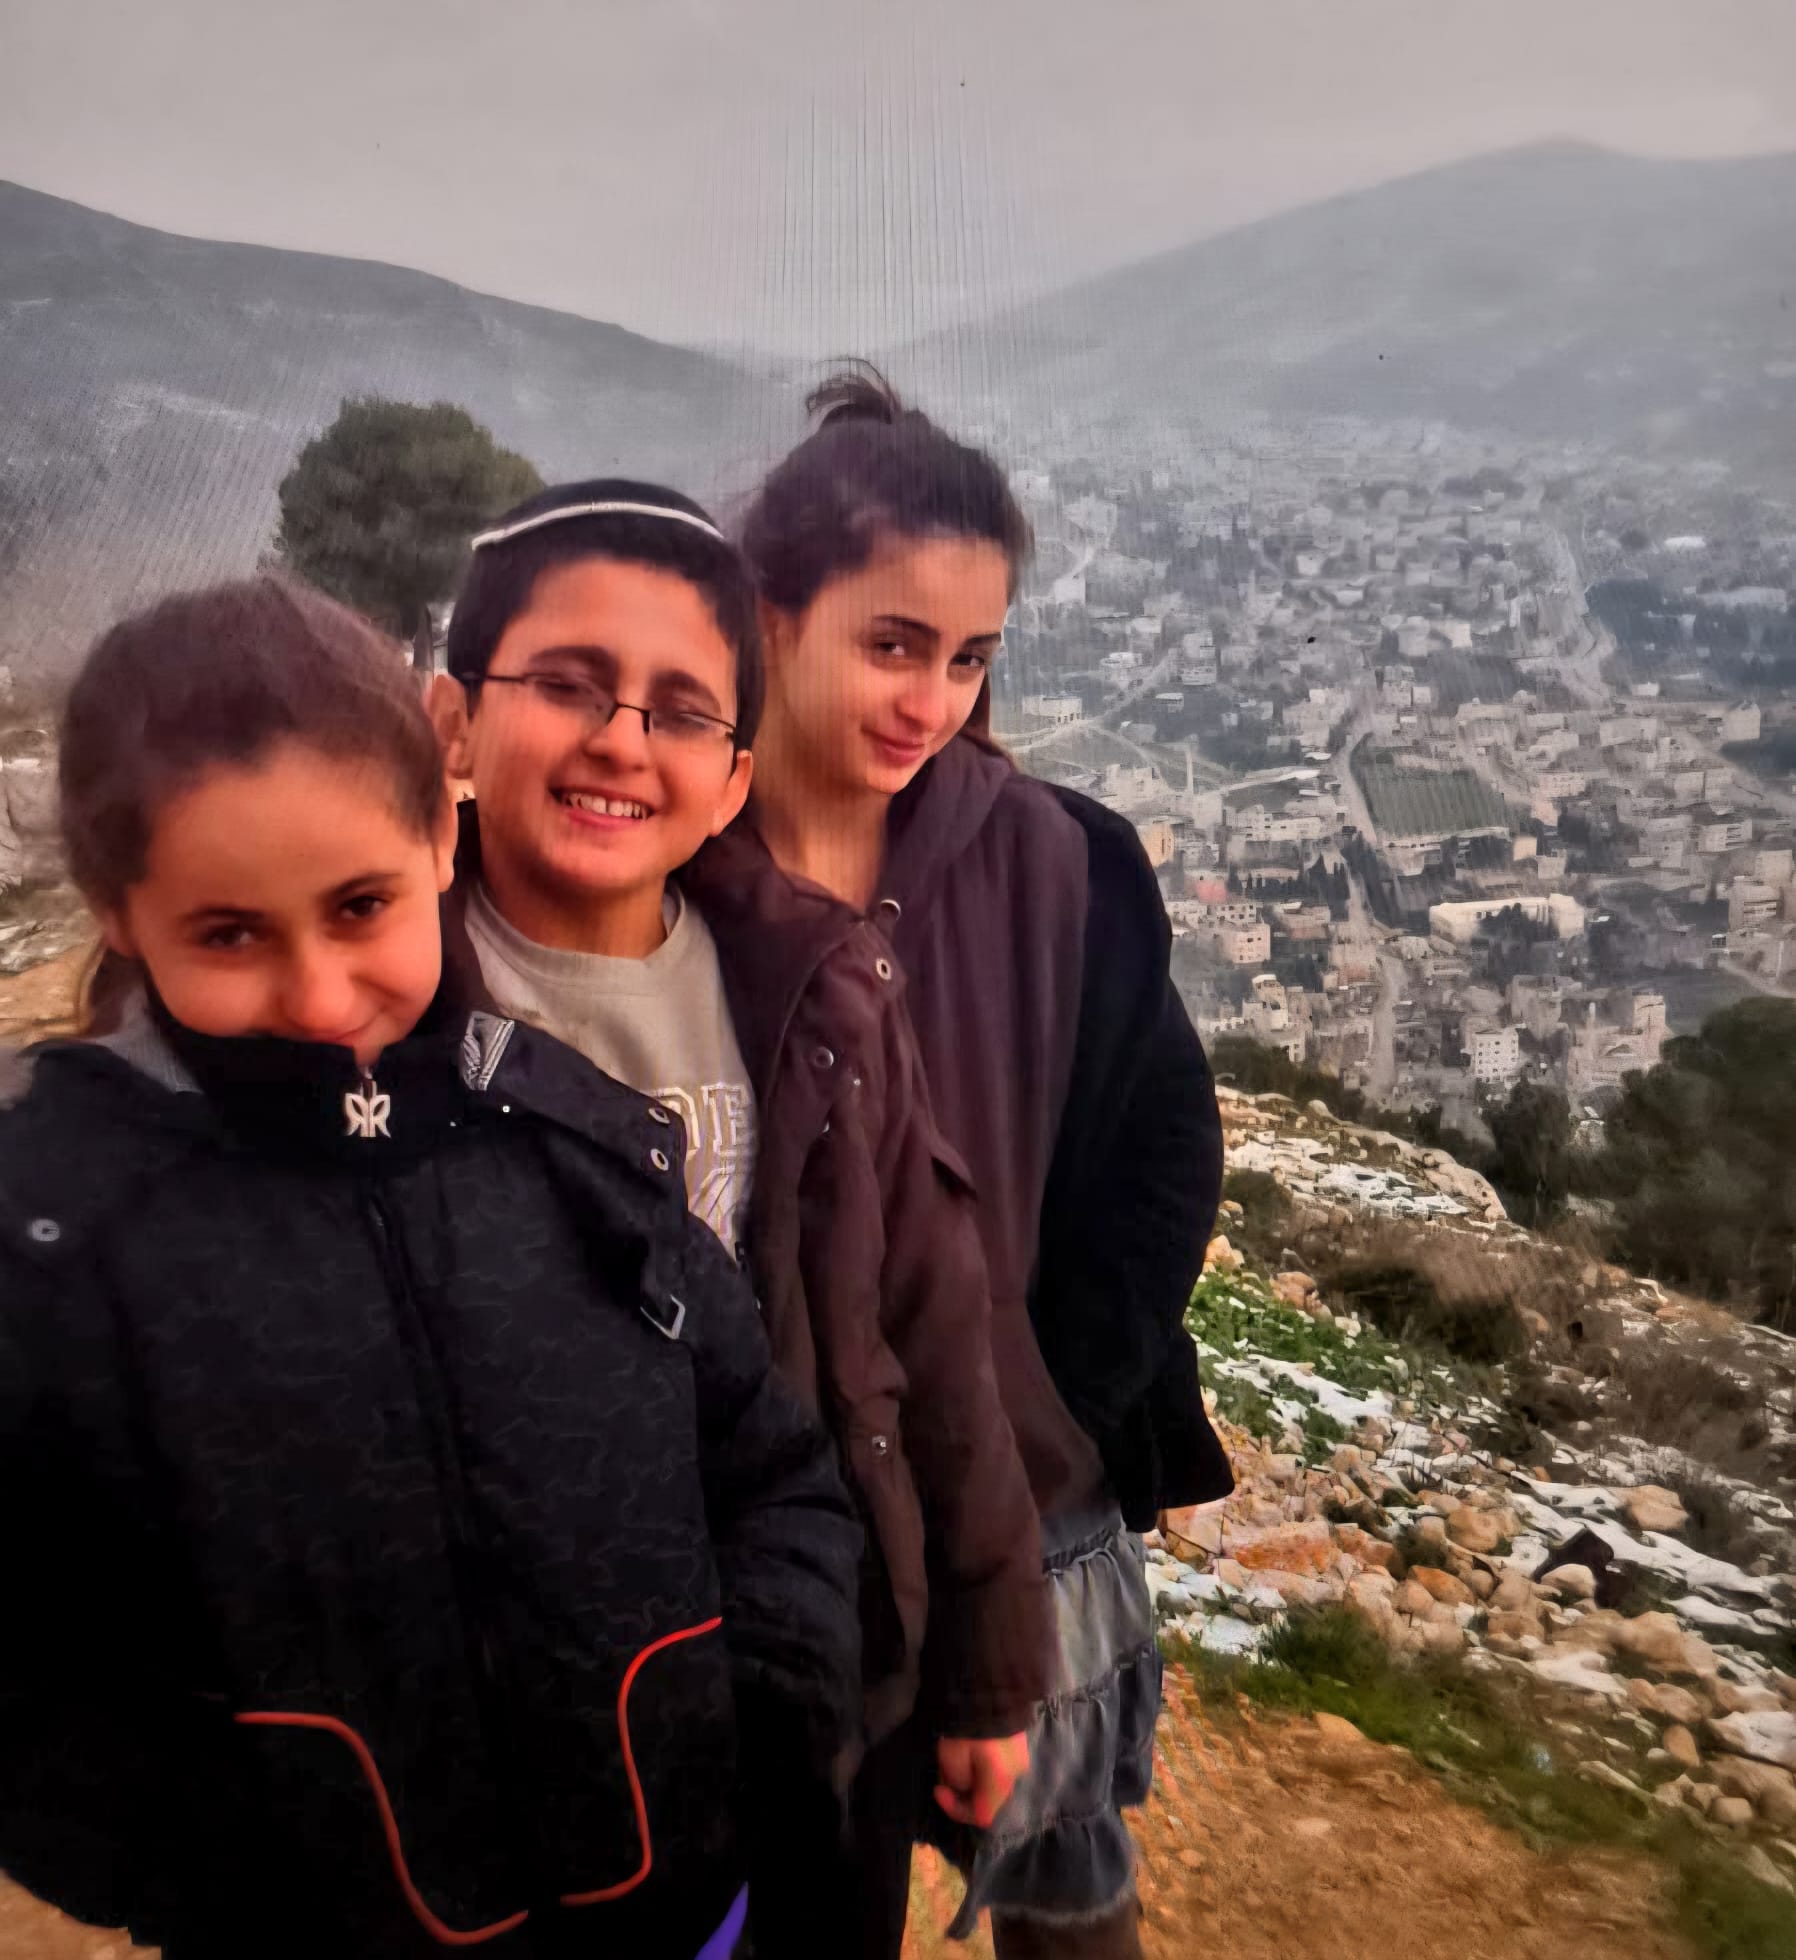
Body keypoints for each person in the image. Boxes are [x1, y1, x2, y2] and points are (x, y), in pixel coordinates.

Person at [0, 576, 861, 1960]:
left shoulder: (572, 1147)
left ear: (441, 839)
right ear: (120, 913)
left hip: (692, 1915)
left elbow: (772, 1472)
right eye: (229, 934)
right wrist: (211, 1865)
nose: (318, 997)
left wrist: (754, 1713)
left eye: (360, 906)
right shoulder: (59, 1242)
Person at [426, 484, 1053, 1948]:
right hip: (495, 1732)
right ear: (453, 725)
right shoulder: (383, 1013)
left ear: (729, 780)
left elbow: (930, 1331)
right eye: (567, 684)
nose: (621, 740)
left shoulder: (814, 998)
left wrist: (985, 1669)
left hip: (806, 1678)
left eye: (681, 711)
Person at [725, 366, 1234, 1960]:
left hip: (1024, 1478)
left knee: (1066, 1885)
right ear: (772, 617)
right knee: (814, 1873)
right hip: (786, 1502)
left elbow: (1166, 1151)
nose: (930, 700)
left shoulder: (1059, 861)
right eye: (892, 645)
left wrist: (1057, 1389)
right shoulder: (680, 874)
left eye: (968, 658)